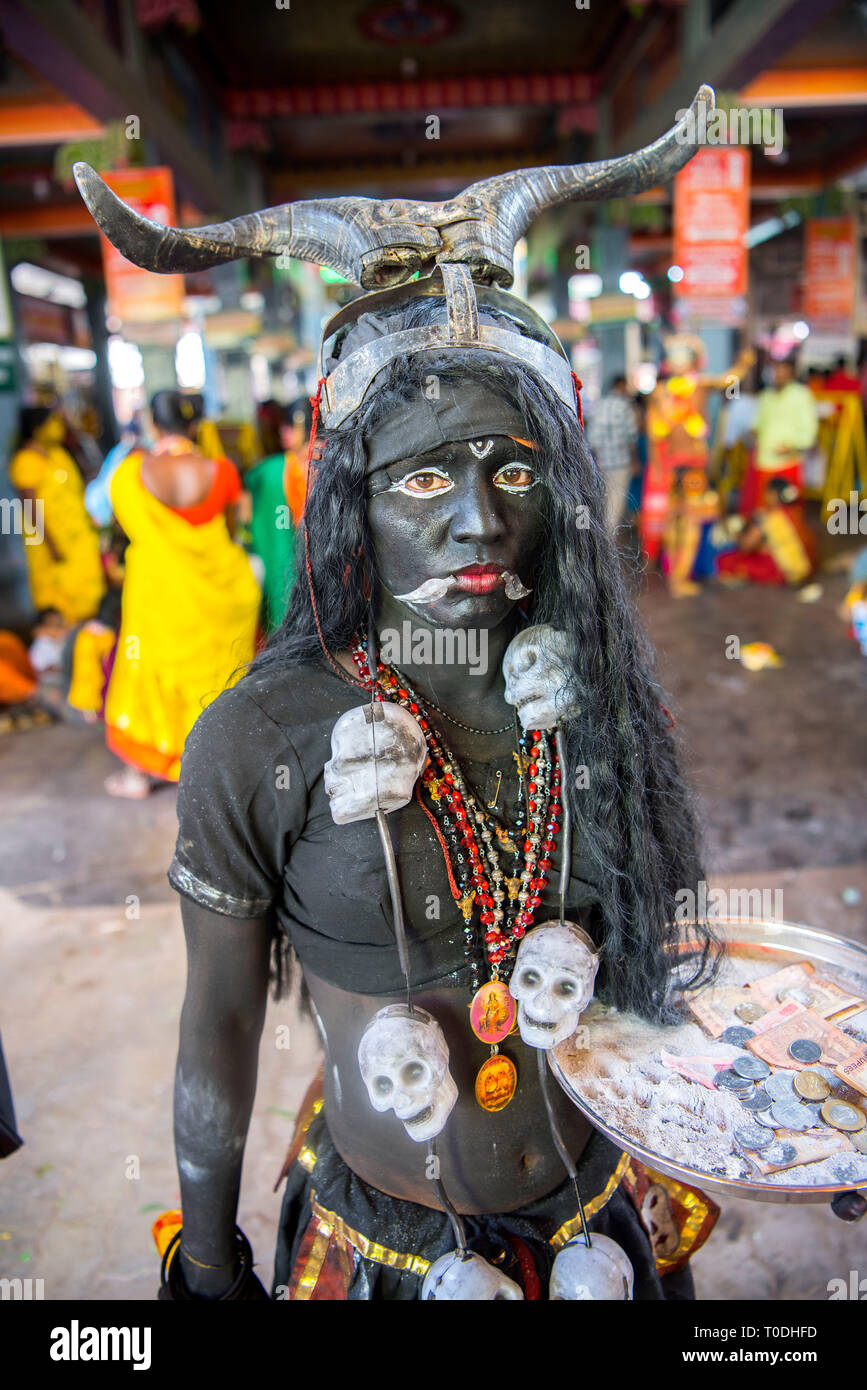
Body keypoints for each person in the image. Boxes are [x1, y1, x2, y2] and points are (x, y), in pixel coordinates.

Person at [82, 93, 863, 1304]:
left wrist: (799, 1105)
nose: (480, 518)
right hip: (382, 1247)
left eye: (514, 468)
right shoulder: (260, 736)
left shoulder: (599, 695)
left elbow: (663, 974)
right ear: (349, 499)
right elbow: (219, 1027)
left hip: (608, 1217)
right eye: (426, 474)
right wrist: (209, 1257)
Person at [102, 390, 260, 798]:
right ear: (194, 425)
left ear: (152, 423)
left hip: (158, 593)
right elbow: (233, 529)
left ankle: (140, 774)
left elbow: (111, 521)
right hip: (219, 592)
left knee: (148, 676)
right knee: (218, 675)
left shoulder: (127, 474)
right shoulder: (220, 470)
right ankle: (215, 763)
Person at [9, 405, 105, 623]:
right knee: (62, 601)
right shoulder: (26, 462)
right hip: (53, 543)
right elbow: (30, 508)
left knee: (87, 596)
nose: (58, 427)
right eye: (52, 422)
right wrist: (50, 544)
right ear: (37, 428)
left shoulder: (58, 454)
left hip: (78, 538)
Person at [246, 398, 312, 633]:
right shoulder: (281, 467)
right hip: (292, 558)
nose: (284, 433)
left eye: (290, 427)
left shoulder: (322, 463)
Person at [742, 358, 818, 513]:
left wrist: (794, 445)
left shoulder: (800, 395)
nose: (778, 374)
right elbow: (757, 424)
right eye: (775, 370)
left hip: (787, 462)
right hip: (764, 460)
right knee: (763, 511)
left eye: (782, 370)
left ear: (791, 373)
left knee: (787, 511)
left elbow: (809, 428)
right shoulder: (766, 396)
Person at [718, 477, 818, 587]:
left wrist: (737, 535)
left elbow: (747, 546)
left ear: (773, 495)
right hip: (807, 570)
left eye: (766, 493)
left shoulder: (769, 517)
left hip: (781, 571)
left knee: (726, 560)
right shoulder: (796, 514)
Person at [584, 375, 638, 530]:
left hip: (600, 461)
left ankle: (599, 534)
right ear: (621, 385)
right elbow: (631, 435)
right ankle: (608, 539)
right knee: (616, 500)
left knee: (601, 498)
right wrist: (635, 460)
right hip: (621, 461)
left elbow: (591, 436)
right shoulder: (625, 406)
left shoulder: (599, 405)